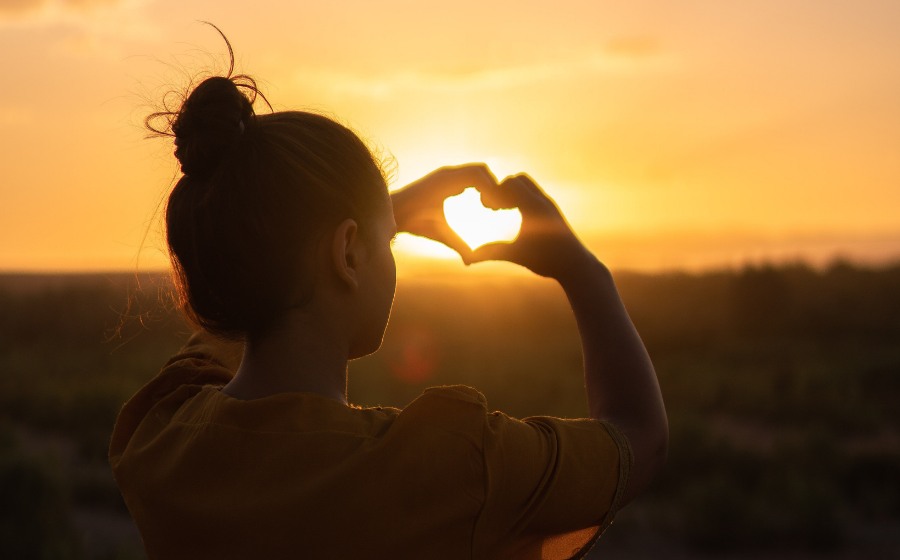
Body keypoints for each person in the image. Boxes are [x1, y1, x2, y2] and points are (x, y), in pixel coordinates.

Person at [109, 36, 667, 560]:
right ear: (348, 253)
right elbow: (638, 438)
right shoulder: (448, 466)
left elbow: (242, 292)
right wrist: (583, 270)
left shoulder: (159, 436)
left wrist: (366, 216)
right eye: (387, 240)